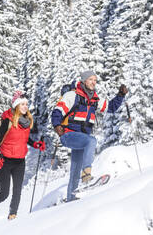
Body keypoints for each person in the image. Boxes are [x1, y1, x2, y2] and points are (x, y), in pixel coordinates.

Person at [51, 71, 128, 202]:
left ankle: (71, 199)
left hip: (81, 138)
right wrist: (57, 125)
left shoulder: (94, 99)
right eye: (91, 79)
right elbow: (57, 111)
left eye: (95, 80)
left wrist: (120, 95)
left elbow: (111, 107)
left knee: (75, 171)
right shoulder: (72, 95)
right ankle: (87, 175)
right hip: (68, 134)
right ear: (84, 81)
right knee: (91, 141)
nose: (93, 82)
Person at [0, 91, 46, 221]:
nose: (25, 107)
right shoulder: (8, 121)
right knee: (4, 193)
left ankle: (13, 215)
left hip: (20, 161)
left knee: (17, 191)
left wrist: (35, 144)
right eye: (22, 104)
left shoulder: (26, 121)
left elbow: (24, 138)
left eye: (26, 104)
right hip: (5, 161)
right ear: (16, 106)